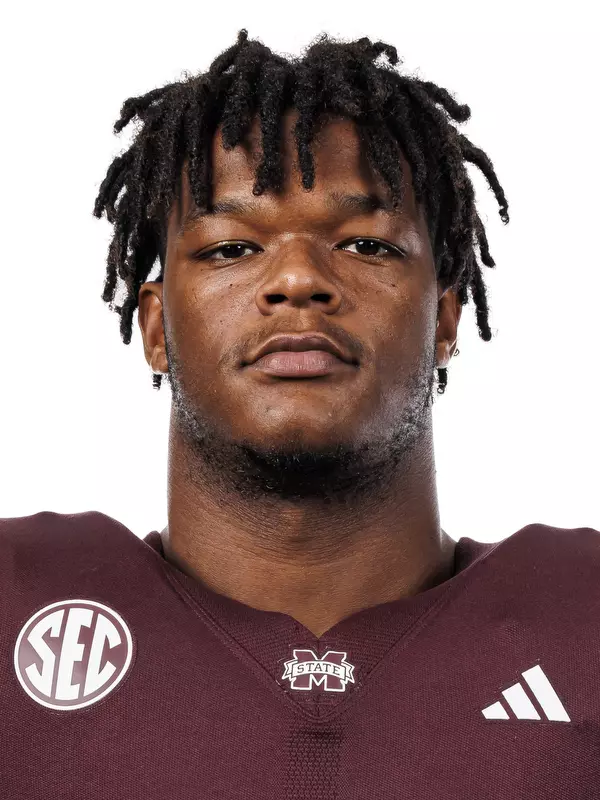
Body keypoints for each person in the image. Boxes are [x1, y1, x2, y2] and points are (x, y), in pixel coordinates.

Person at [2, 29, 598, 798]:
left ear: (445, 319)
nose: (297, 280)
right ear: (155, 328)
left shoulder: (583, 621)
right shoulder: (22, 600)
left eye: (366, 245)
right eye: (229, 249)